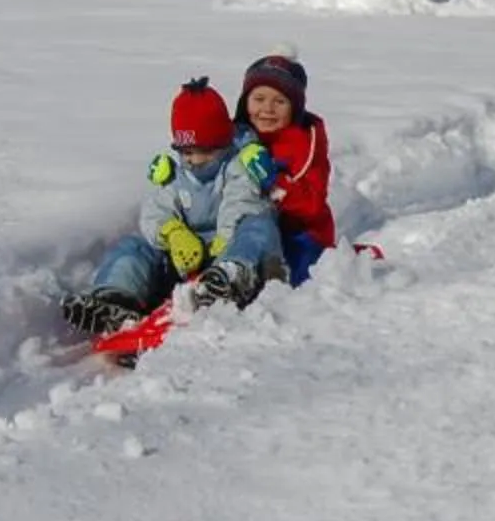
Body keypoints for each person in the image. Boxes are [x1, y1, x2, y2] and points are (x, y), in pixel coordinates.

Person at [61, 78, 284, 334]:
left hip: (228, 251)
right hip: (186, 261)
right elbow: (156, 211)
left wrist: (225, 241)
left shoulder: (237, 166)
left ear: (223, 144)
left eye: (205, 152)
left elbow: (240, 202)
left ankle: (232, 277)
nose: (195, 161)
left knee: (258, 225)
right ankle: (116, 299)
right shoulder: (176, 175)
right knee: (133, 246)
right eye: (187, 152)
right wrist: (173, 233)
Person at [235, 46, 336, 284]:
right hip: (246, 230)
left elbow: (313, 204)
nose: (267, 109)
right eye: (259, 99)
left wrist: (275, 183)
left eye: (279, 101)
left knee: (298, 272)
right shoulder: (236, 137)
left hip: (298, 232)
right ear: (245, 103)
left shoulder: (306, 142)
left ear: (295, 107)